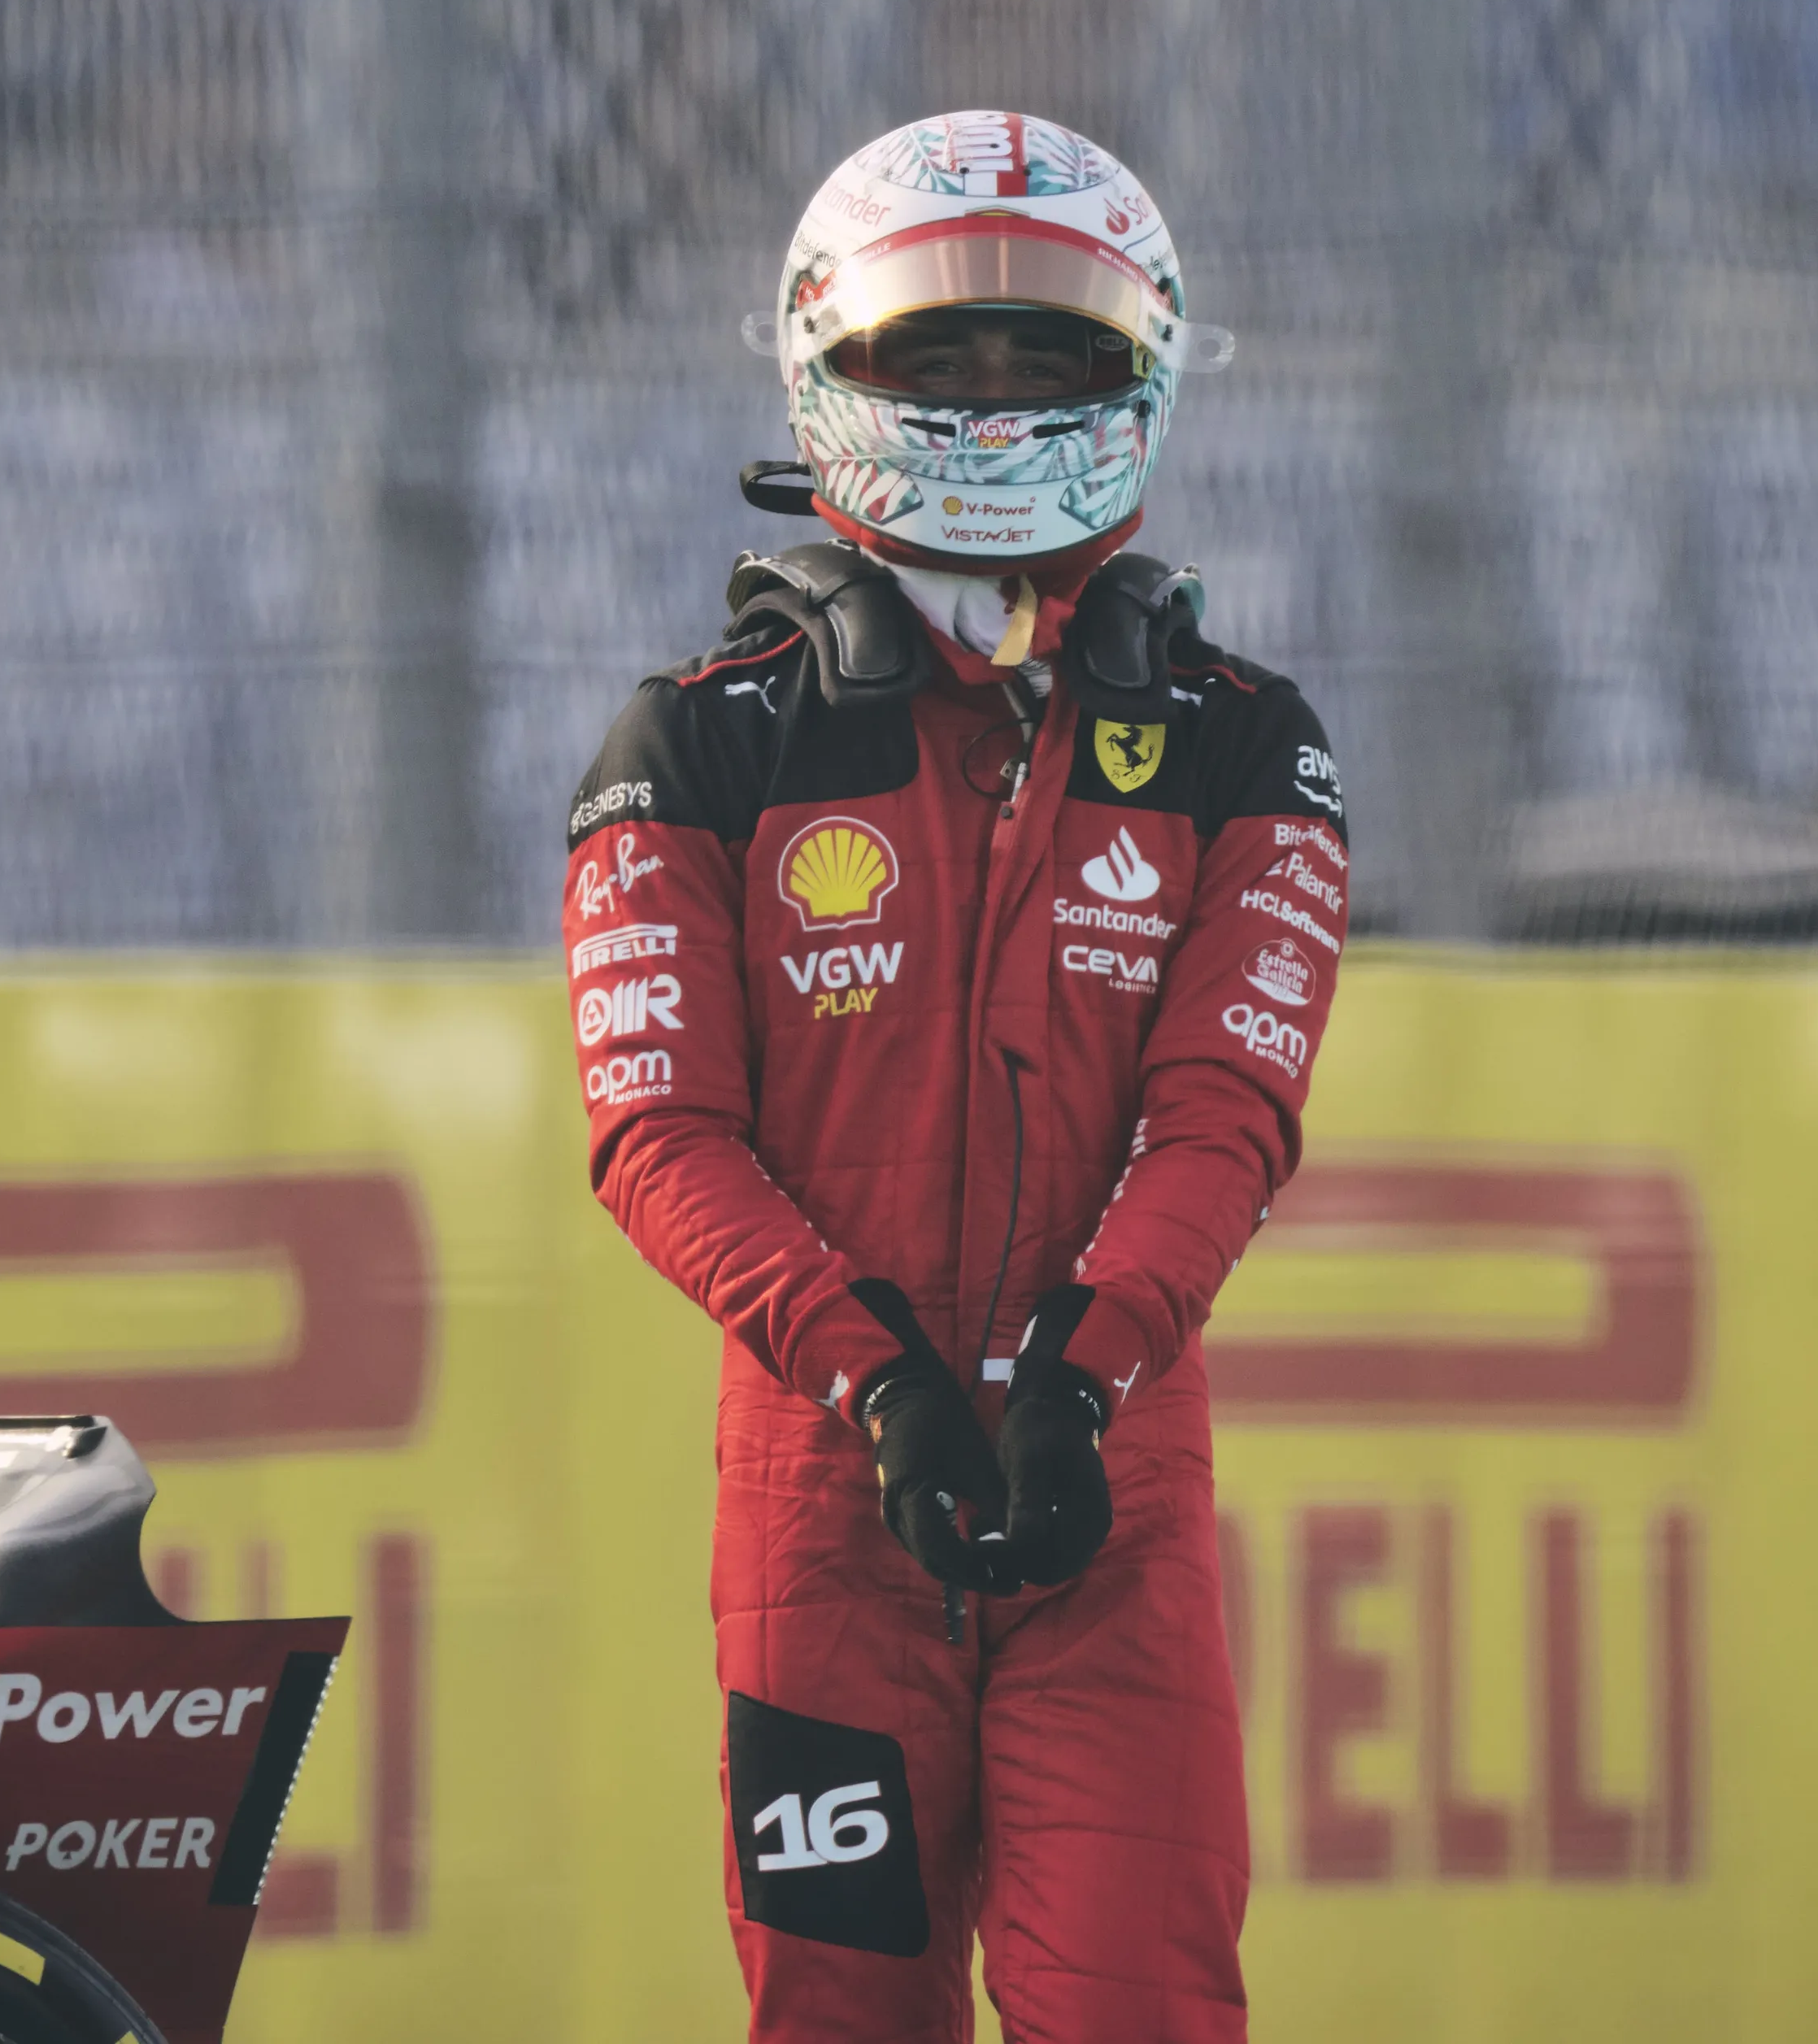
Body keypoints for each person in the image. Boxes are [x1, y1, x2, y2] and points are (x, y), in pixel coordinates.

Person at [561, 111, 1346, 2044]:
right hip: (828, 1496)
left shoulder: (1245, 742)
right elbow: (653, 1133)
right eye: (942, 353)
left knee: (1142, 2009)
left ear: (1139, 376)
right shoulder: (694, 741)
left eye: (1047, 352)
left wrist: (1081, 1372)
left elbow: (1223, 1115)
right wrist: (875, 1374)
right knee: (837, 2015)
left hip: (1116, 1488)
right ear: (829, 359)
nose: (995, 400)